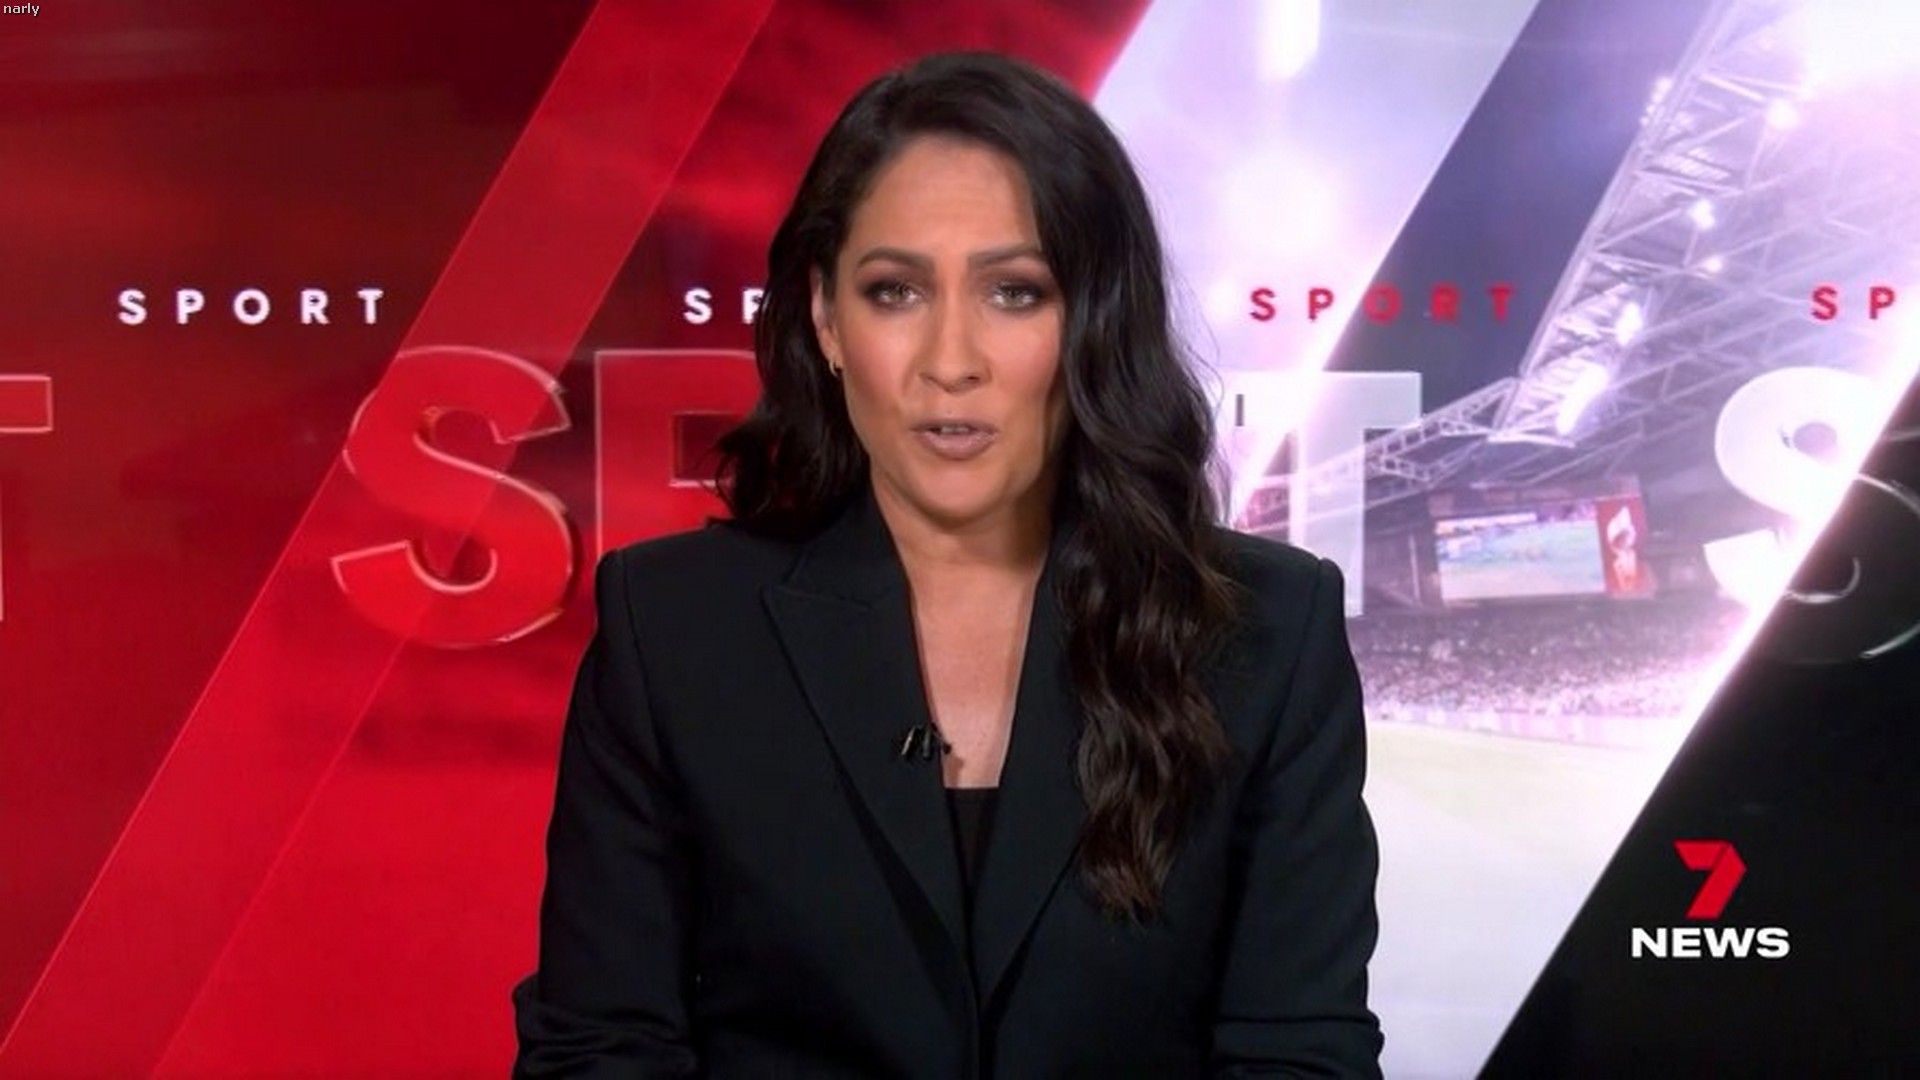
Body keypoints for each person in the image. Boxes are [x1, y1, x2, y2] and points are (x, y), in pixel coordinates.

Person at [510, 49, 1384, 1078]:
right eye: (895, 292)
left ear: (1092, 319)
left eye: (1015, 292)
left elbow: (1298, 1054)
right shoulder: (673, 629)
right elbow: (600, 1049)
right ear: (827, 321)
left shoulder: (1268, 634)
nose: (950, 361)